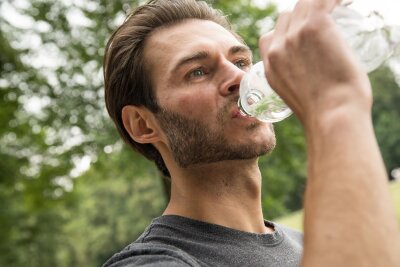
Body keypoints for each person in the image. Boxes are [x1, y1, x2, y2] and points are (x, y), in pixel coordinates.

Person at [102, 0, 400, 266]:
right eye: (197, 71)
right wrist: (336, 108)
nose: (238, 77)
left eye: (241, 61)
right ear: (142, 124)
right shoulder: (154, 261)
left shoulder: (312, 244)